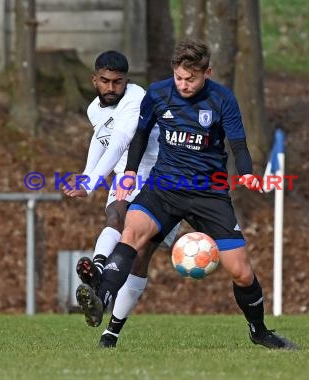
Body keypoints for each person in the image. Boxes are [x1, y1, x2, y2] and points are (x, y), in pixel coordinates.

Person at [77, 39, 297, 350]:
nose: (183, 85)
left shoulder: (223, 100)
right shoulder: (158, 93)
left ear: (207, 72)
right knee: (132, 233)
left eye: (190, 79)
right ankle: (101, 298)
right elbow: (139, 134)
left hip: (209, 194)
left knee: (241, 271)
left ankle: (259, 331)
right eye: (179, 77)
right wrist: (129, 174)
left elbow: (238, 145)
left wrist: (247, 173)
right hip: (163, 188)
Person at [61, 50, 177, 328]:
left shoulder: (137, 99)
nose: (111, 88)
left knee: (141, 256)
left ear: (127, 80)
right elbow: (101, 140)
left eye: (117, 82)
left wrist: (90, 184)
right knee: (115, 213)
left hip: (158, 174)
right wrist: (87, 174)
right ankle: (98, 270)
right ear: (94, 79)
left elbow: (120, 142)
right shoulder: (93, 109)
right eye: (105, 81)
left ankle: (113, 327)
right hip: (125, 175)